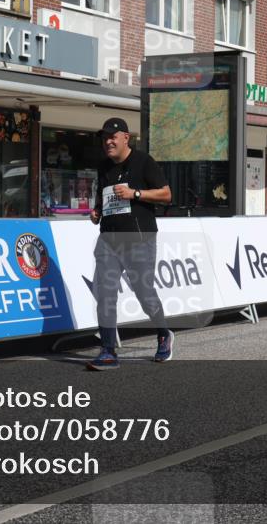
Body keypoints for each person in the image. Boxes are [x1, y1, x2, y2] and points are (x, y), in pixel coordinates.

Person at [87, 117, 174, 370]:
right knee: (105, 293)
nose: (108, 142)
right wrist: (96, 213)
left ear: (126, 138)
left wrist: (135, 193)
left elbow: (167, 194)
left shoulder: (143, 161)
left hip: (139, 239)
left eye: (113, 137)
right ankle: (107, 350)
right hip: (109, 239)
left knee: (144, 293)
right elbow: (102, 201)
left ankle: (163, 333)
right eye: (105, 138)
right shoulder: (103, 167)